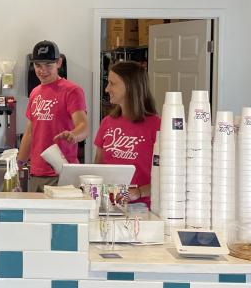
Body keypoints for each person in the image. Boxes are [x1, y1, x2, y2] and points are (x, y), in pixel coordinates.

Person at [17, 40, 89, 192]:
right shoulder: (35, 92)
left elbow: (83, 126)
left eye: (48, 65)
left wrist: (73, 135)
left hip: (61, 173)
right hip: (36, 173)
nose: (42, 71)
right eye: (38, 65)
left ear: (59, 62)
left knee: (59, 217)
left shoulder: (72, 91)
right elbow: (30, 133)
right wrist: (19, 164)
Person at [94, 61, 161, 207]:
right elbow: (98, 168)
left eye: (112, 83)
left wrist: (138, 192)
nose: (107, 89)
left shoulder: (156, 126)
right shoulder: (107, 122)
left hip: (142, 210)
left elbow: (167, 176)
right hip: (107, 207)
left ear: (130, 86)